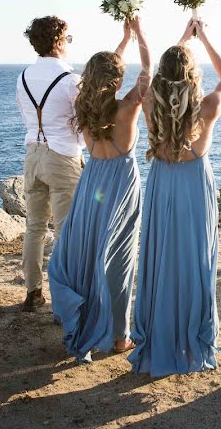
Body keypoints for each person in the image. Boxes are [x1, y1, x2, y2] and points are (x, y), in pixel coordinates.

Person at [128, 18, 221, 377]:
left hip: (161, 182)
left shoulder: (150, 104)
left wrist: (181, 43)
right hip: (192, 185)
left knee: (161, 255)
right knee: (193, 257)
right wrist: (202, 38)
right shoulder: (206, 108)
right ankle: (191, 338)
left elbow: (157, 77)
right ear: (191, 75)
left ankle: (159, 334)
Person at [48, 18, 151, 362]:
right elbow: (147, 69)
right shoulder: (128, 107)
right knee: (119, 260)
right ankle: (120, 337)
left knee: (92, 252)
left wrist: (121, 41)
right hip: (121, 184)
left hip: (92, 183)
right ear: (118, 80)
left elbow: (104, 72)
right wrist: (138, 34)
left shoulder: (83, 106)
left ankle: (90, 325)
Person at [16, 16, 85, 312]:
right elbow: (82, 128)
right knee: (66, 230)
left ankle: (33, 293)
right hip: (63, 157)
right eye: (67, 39)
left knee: (34, 227)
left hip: (33, 154)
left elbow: (26, 116)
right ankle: (64, 300)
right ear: (57, 41)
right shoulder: (71, 79)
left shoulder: (22, 77)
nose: (68, 44)